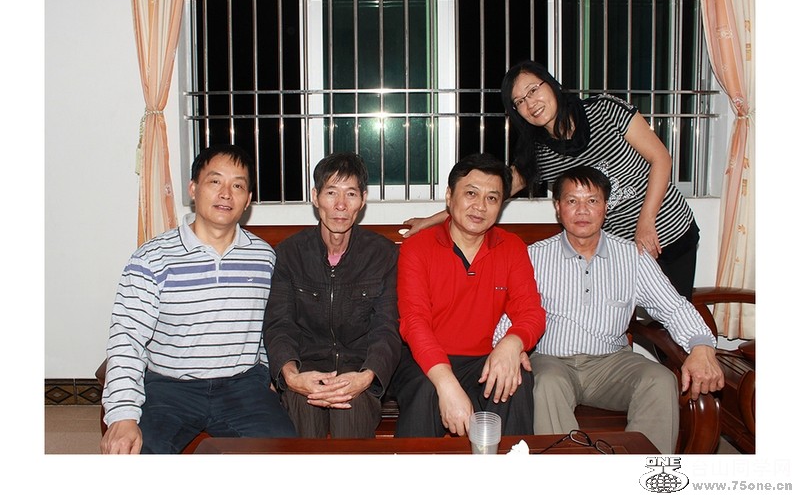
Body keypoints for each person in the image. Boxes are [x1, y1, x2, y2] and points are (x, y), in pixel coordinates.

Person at [403, 60, 699, 300]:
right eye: (519, 101)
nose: (530, 103)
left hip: (669, 232)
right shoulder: (539, 154)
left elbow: (661, 158)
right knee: (622, 323)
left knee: (672, 322)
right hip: (619, 252)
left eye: (533, 90)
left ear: (551, 84)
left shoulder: (605, 110)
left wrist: (646, 222)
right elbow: (493, 190)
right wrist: (432, 220)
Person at [100, 144, 296, 454]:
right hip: (169, 386)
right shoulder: (152, 258)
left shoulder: (263, 258)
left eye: (238, 186)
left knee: (286, 454)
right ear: (194, 188)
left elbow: (270, 326)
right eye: (215, 181)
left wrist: (268, 372)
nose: (226, 194)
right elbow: (127, 338)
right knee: (138, 452)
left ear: (248, 200)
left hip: (242, 385)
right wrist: (122, 415)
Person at [526, 165, 723, 454]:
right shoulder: (533, 257)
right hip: (552, 361)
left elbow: (673, 306)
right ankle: (568, 472)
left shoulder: (632, 256)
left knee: (660, 380)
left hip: (611, 364)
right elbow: (511, 312)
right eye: (572, 201)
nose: (582, 210)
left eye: (592, 201)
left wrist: (702, 346)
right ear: (558, 207)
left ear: (606, 207)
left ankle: (643, 472)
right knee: (546, 383)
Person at [392, 152, 546, 438]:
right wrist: (446, 383)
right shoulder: (418, 248)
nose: (480, 206)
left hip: (482, 359)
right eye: (471, 194)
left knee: (515, 381)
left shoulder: (511, 247)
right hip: (423, 358)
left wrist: (512, 344)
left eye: (492, 198)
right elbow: (414, 322)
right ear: (450, 197)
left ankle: (511, 464)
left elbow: (531, 312)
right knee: (427, 390)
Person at [263, 152, 401, 438]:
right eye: (331, 192)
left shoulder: (383, 255)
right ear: (315, 197)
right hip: (305, 369)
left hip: (359, 370)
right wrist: (292, 376)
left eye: (350, 194)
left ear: (363, 200)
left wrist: (366, 377)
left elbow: (386, 328)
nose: (340, 205)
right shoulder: (290, 253)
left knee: (349, 410)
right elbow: (280, 324)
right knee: (304, 407)